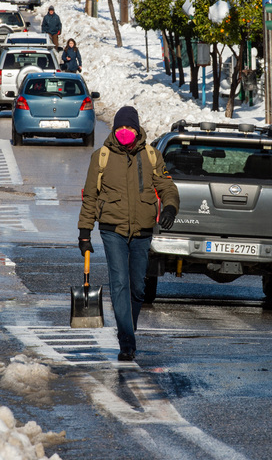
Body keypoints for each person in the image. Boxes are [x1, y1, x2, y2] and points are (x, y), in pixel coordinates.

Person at [77, 106, 179, 362]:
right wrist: (84, 233)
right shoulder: (100, 157)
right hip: (112, 230)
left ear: (137, 129)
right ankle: (127, 342)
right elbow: (90, 196)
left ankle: (127, 333)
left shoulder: (151, 155)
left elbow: (167, 186)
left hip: (143, 231)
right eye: (120, 127)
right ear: (114, 129)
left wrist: (169, 207)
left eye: (129, 127)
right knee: (120, 284)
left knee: (137, 289)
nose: (124, 132)